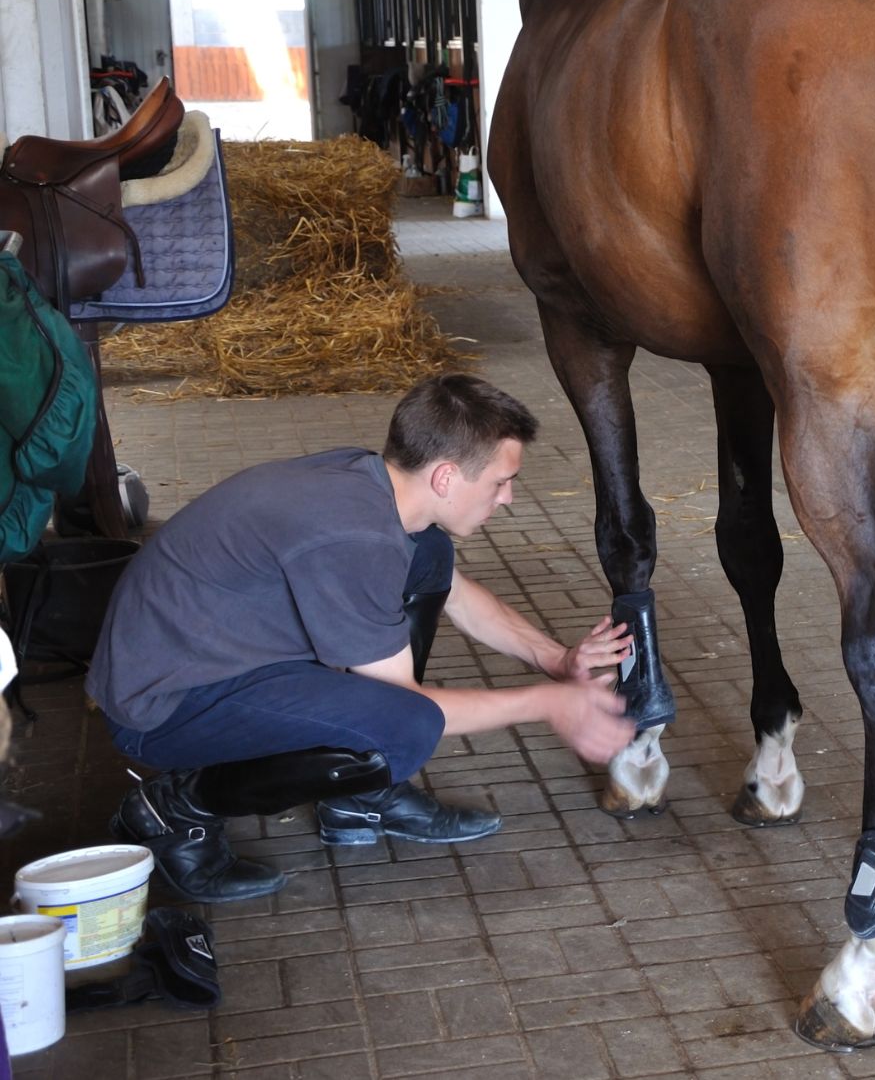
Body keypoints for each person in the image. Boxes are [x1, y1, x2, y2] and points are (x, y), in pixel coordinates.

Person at [87, 374, 637, 903]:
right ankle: (171, 811)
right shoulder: (354, 534)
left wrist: (554, 660)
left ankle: (359, 798)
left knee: (430, 557)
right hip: (160, 708)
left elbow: (456, 594)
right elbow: (407, 705)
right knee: (402, 729)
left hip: (208, 659)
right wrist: (548, 703)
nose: (509, 497)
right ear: (445, 477)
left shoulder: (372, 484)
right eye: (499, 481)